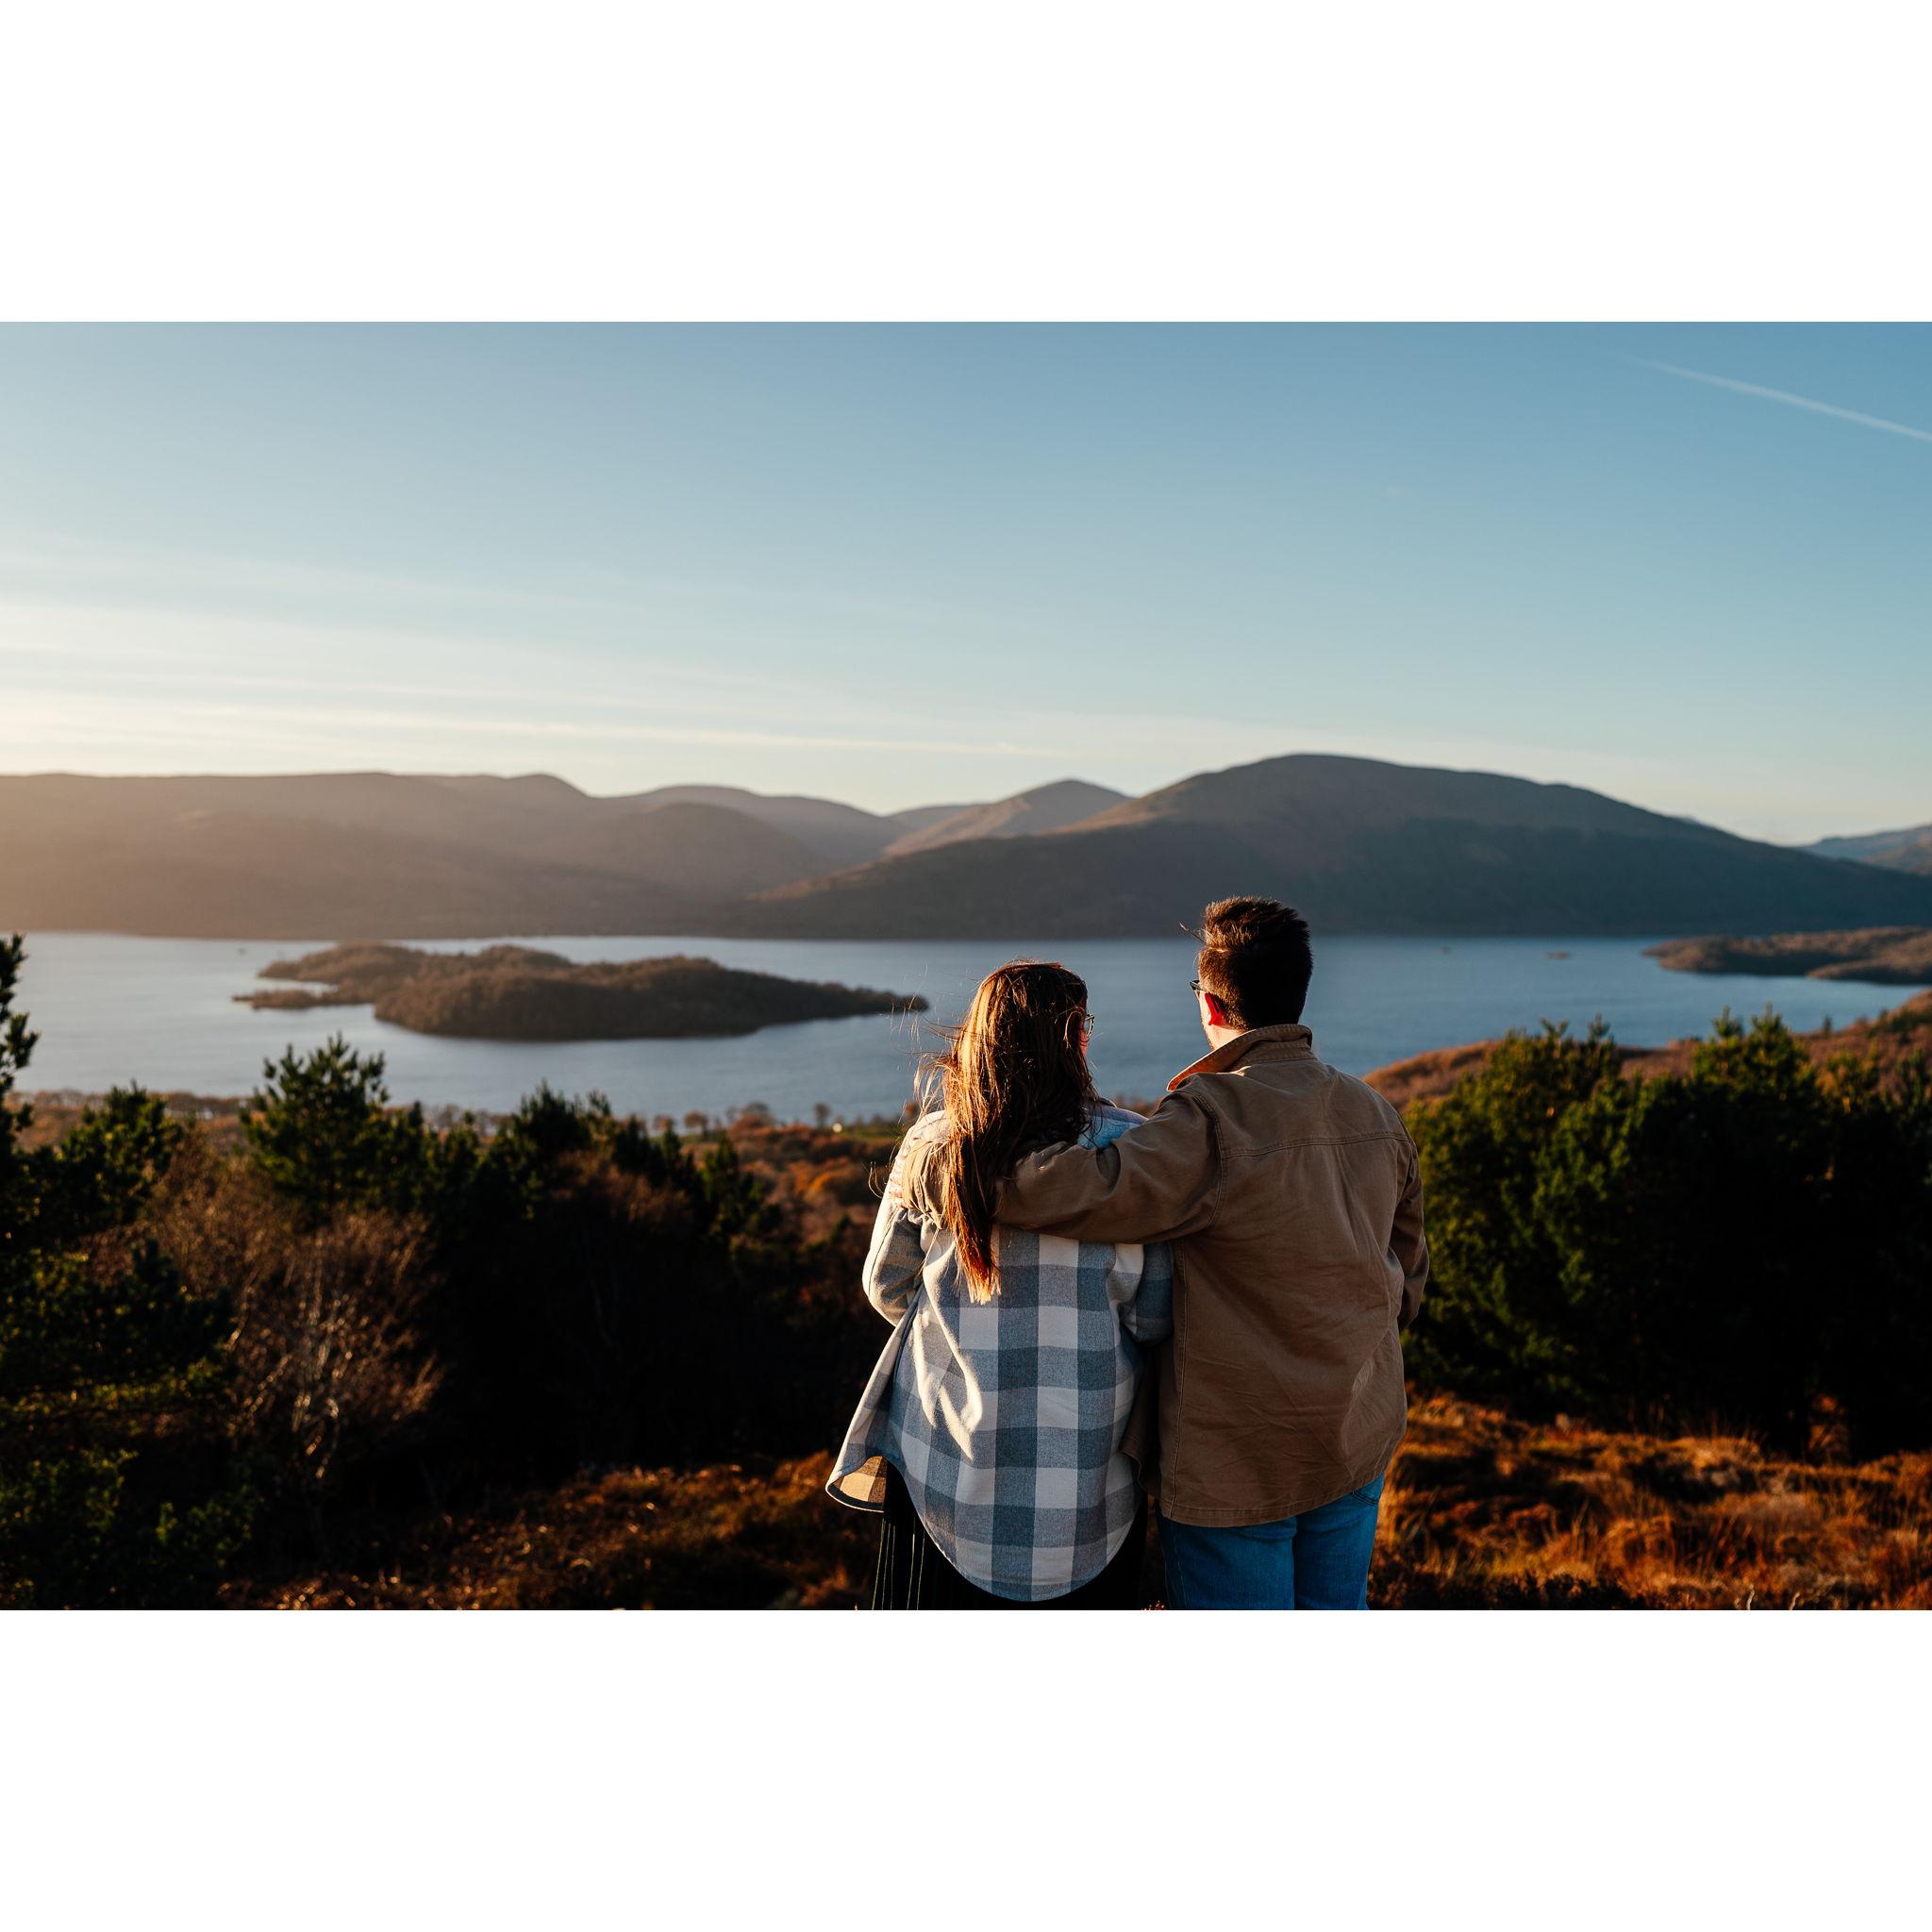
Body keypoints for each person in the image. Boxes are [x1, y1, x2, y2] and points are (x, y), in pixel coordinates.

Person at [994, 896, 1428, 1610]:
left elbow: (1079, 1191)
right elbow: (1409, 1269)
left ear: (1213, 1004)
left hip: (1239, 1464)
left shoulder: (1211, 1119)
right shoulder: (1375, 1112)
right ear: (1297, 993)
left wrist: (953, 1163)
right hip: (1356, 1433)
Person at [826, 960, 1173, 1607]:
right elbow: (1155, 1315)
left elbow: (887, 1285)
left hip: (944, 1475)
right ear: (1078, 1041)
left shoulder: (932, 1143)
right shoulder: (1133, 1152)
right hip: (1088, 1488)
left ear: (980, 1039)